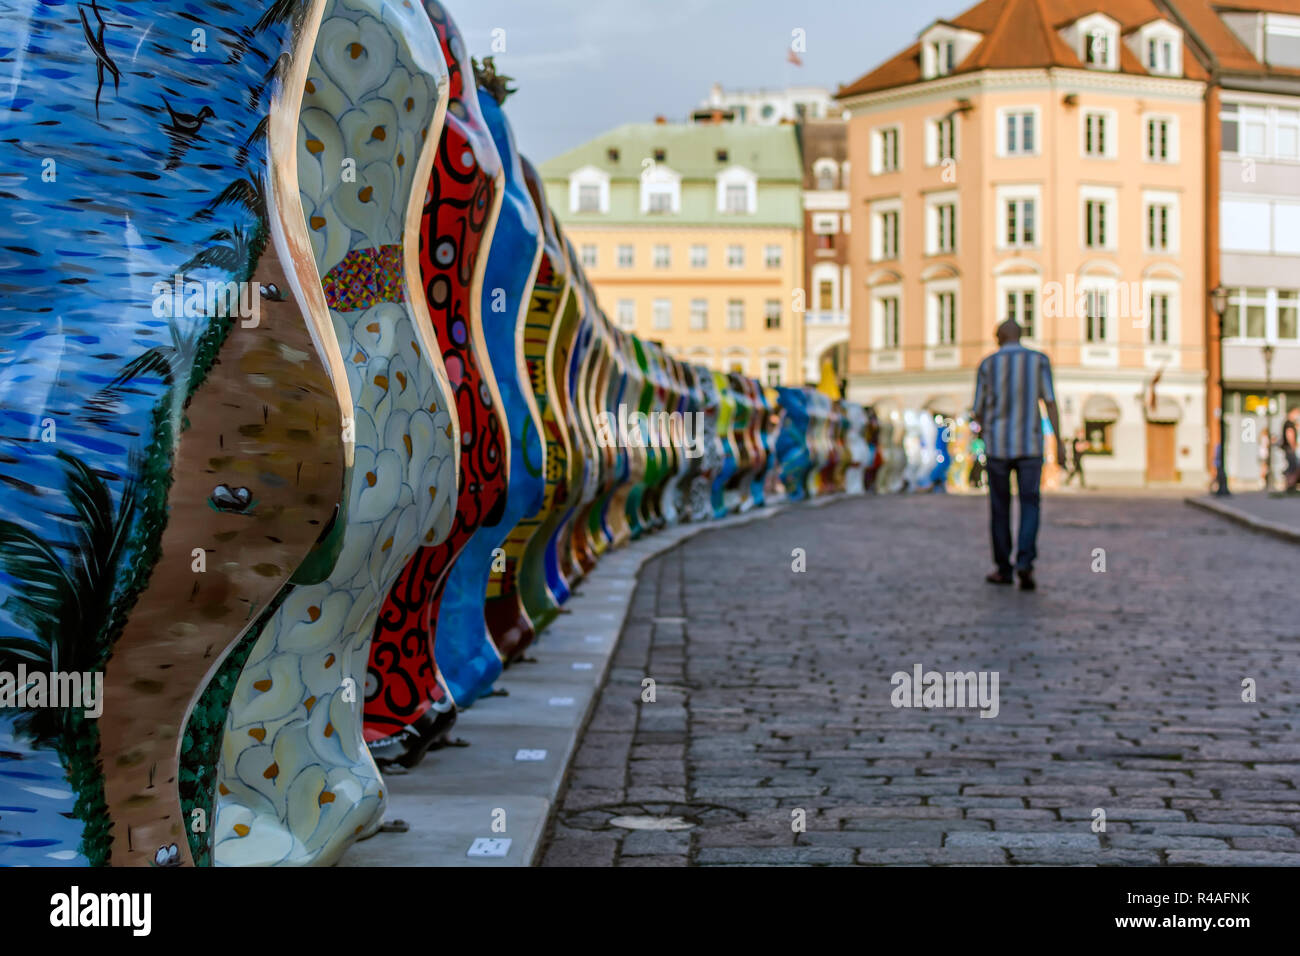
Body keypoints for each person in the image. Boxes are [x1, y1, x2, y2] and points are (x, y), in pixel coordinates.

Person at [971, 318, 1065, 591]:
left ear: (999, 337)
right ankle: (1025, 561)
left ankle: (1003, 568)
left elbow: (978, 409)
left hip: (998, 446)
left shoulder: (988, 364)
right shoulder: (1038, 361)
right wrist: (1058, 442)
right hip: (1030, 446)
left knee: (1000, 508)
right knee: (1030, 504)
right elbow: (1050, 402)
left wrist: (981, 435)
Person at [1282, 407, 1299, 492]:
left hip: (1288, 448)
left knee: (1291, 467)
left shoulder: (1289, 423)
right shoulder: (1289, 424)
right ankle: (1290, 486)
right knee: (1293, 468)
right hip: (1290, 448)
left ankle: (1289, 485)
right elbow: (1290, 434)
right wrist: (1293, 446)